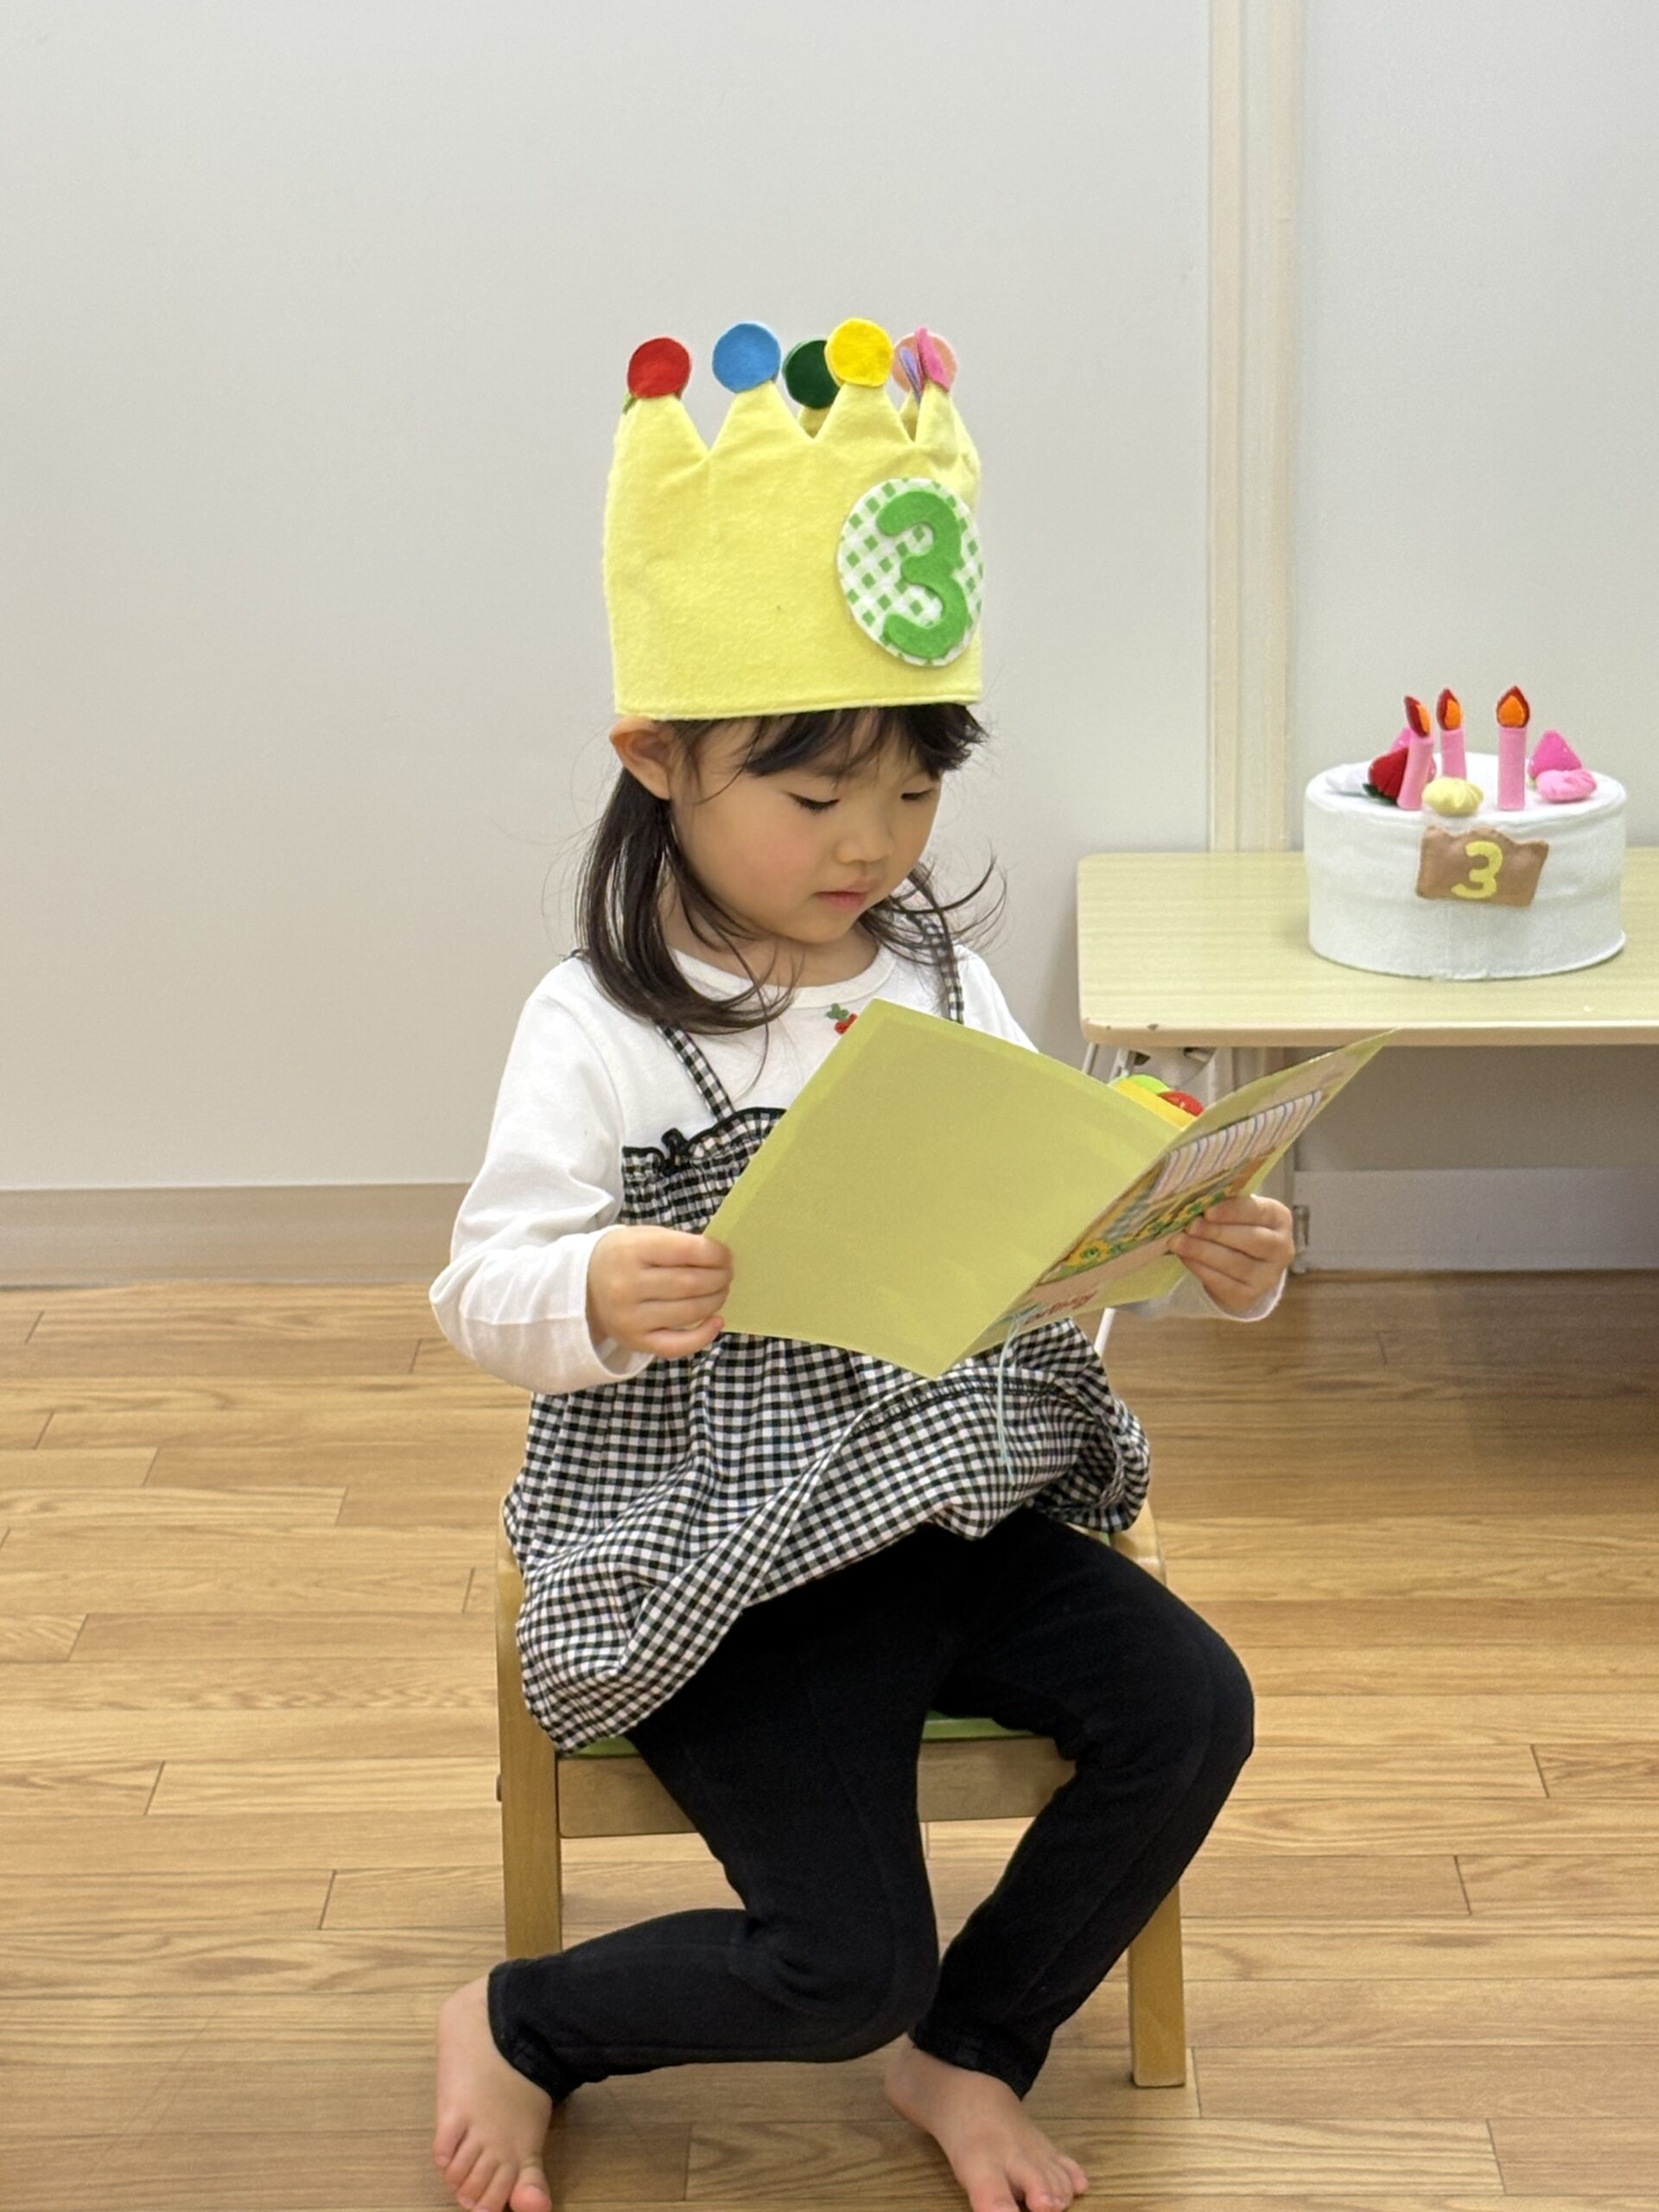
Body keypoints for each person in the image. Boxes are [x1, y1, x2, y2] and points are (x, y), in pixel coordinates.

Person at [428, 320, 1292, 2212]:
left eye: (909, 795)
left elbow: (1031, 1246)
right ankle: (524, 2021)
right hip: (728, 1548)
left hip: (948, 1497)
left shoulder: (940, 974)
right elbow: (479, 1286)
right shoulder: (597, 1025)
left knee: (1193, 1708)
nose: (871, 845)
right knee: (839, 1964)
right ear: (658, 759)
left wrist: (1185, 1243)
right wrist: (594, 1292)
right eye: (815, 801)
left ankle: (972, 2046)